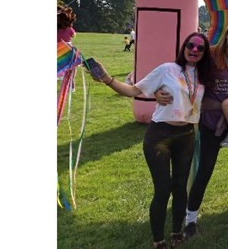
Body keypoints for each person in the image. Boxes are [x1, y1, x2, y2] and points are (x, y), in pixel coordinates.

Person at [90, 32, 212, 249]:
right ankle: (158, 241)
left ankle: (176, 233)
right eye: (190, 45)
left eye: (200, 48)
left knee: (180, 187)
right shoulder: (167, 69)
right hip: (160, 136)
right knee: (163, 189)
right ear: (184, 47)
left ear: (204, 53)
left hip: (186, 135)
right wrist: (107, 79)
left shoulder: (204, 76)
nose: (194, 50)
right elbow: (133, 90)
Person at [160, 20, 228, 240]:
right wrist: (159, 91)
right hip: (212, 123)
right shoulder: (211, 55)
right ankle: (190, 221)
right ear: (227, 33)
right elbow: (184, 72)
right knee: (205, 170)